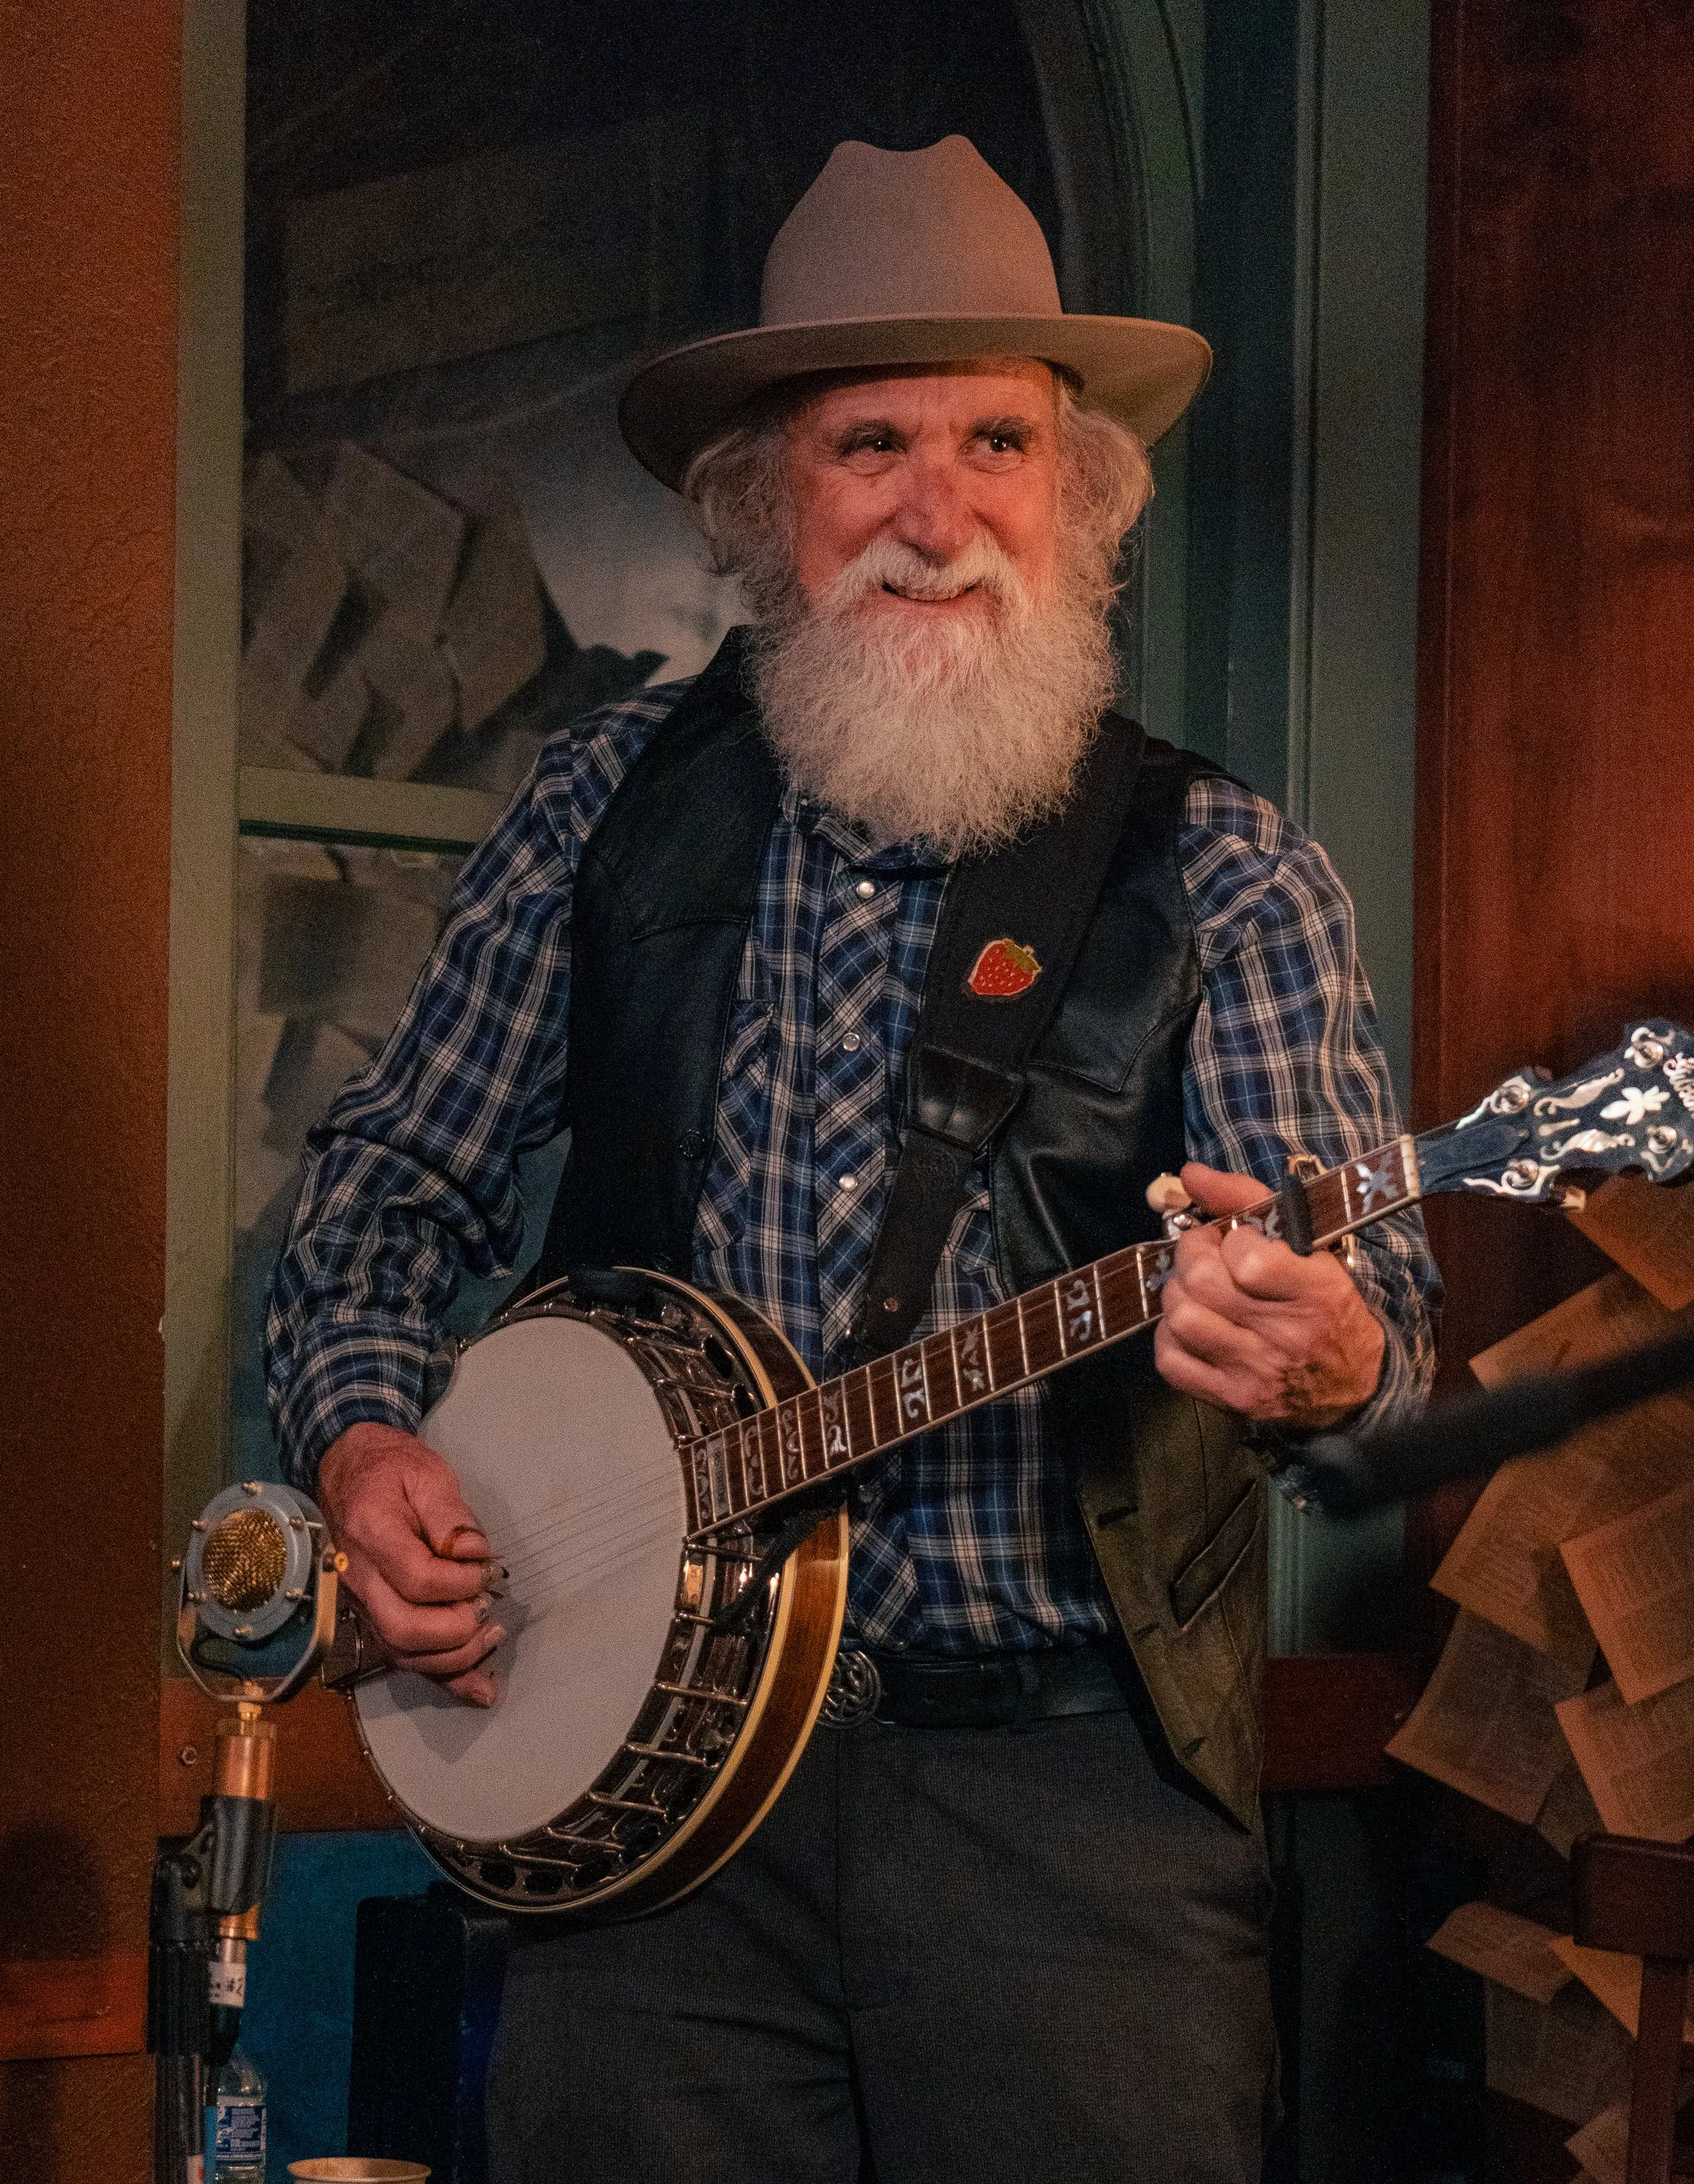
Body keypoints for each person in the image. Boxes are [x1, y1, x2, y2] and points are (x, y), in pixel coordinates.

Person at [266, 137, 1438, 2184]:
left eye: (999, 441)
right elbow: (381, 1193)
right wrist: (367, 1447)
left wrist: (1326, 1351)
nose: (937, 510)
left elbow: (1380, 1348)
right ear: (760, 502)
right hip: (639, 1806)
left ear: (1079, 497)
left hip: (1068, 1816)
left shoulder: (1227, 871)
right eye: (867, 443)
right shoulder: (598, 815)